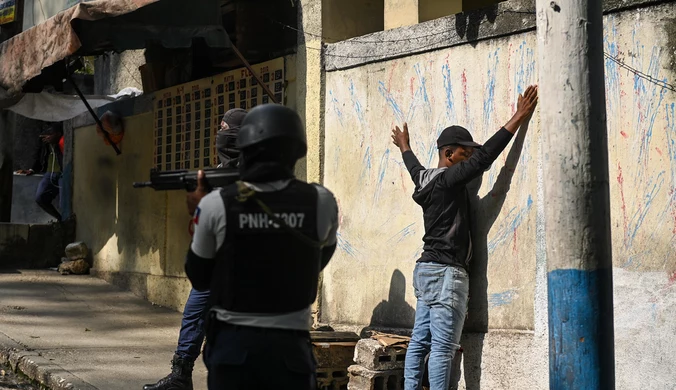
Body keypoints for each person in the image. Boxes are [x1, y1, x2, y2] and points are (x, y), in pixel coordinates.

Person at [392, 85, 538, 390]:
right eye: (463, 153)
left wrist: (404, 145)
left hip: (426, 270)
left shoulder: (425, 179)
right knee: (443, 347)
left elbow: (412, 165)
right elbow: (486, 157)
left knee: (420, 340)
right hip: (446, 274)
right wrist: (519, 117)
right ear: (448, 154)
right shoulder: (449, 179)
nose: (469, 158)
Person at [185, 104, 339, 390]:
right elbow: (320, 256)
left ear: (244, 148)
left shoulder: (216, 204)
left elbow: (199, 275)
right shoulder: (321, 201)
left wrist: (197, 214)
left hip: (233, 351)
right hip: (291, 353)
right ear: (296, 150)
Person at [143, 108, 247, 390]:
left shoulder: (251, 174)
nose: (220, 133)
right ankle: (180, 375)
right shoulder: (223, 173)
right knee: (196, 312)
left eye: (226, 128)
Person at [15, 123, 65, 221]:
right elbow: (38, 153)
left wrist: (56, 141)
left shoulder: (61, 134)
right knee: (40, 198)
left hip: (62, 172)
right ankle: (60, 220)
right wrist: (31, 169)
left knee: (64, 203)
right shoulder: (44, 132)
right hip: (49, 173)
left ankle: (66, 222)